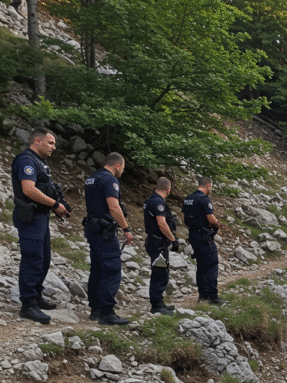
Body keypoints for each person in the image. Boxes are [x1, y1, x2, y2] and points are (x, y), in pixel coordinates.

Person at [11, 127, 71, 323]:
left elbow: (44, 188)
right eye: (51, 143)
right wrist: (54, 204)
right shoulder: (26, 160)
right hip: (30, 217)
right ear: (37, 141)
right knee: (33, 259)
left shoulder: (40, 163)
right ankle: (27, 305)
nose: (54, 147)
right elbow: (28, 190)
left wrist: (55, 206)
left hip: (41, 216)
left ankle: (36, 296)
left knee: (44, 259)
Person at [83, 152, 133, 325]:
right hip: (105, 230)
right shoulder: (110, 180)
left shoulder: (91, 178)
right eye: (123, 168)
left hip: (92, 228)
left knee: (97, 268)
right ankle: (107, 313)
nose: (122, 172)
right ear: (117, 165)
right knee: (111, 269)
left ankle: (95, 309)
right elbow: (113, 206)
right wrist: (126, 228)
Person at [182, 177, 223, 304]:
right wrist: (217, 224)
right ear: (208, 186)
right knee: (211, 264)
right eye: (211, 187)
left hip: (193, 235)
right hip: (204, 235)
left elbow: (184, 219)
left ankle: (203, 296)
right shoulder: (204, 200)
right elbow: (210, 218)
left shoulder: (188, 199)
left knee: (201, 265)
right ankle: (213, 298)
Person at [143, 177, 179, 315]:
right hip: (157, 242)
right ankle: (156, 305)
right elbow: (162, 223)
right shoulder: (158, 202)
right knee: (160, 274)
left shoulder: (150, 200)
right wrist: (173, 239)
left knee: (160, 272)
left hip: (155, 241)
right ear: (168, 189)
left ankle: (160, 302)